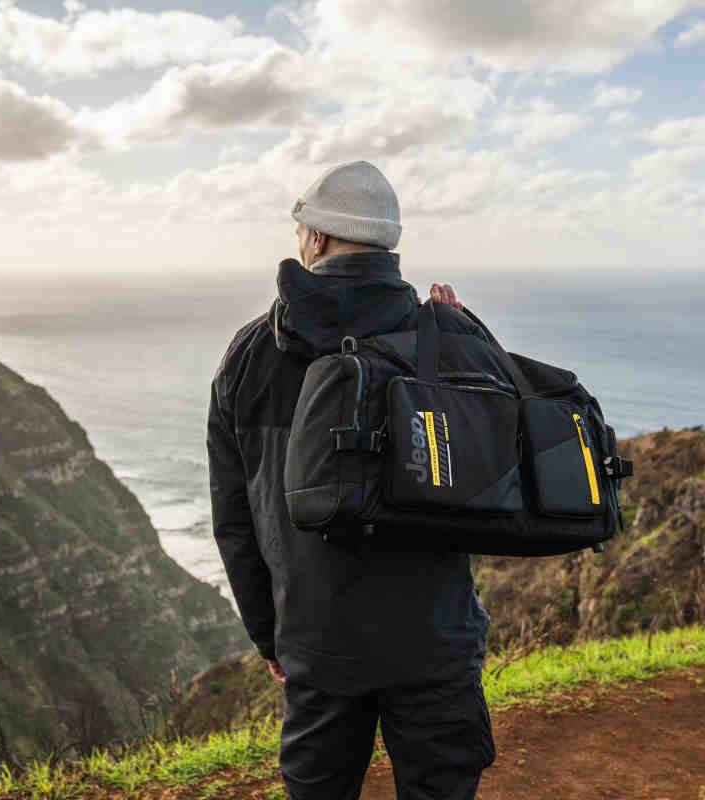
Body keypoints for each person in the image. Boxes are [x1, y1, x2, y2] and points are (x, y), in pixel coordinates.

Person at [206, 160, 496, 800]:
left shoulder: (247, 356)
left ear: (314, 240)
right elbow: (497, 475)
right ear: (389, 246)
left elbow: (234, 519)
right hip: (435, 639)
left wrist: (271, 637)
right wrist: (472, 346)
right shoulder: (443, 335)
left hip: (317, 642)